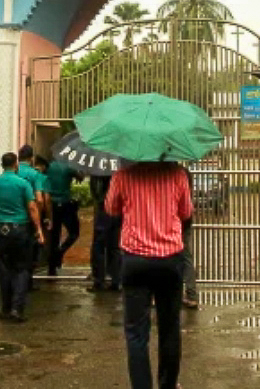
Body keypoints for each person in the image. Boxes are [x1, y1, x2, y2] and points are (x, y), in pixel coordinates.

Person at [106, 161, 193, 389]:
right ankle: (168, 385)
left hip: (135, 260)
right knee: (170, 328)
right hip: (169, 259)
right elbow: (186, 212)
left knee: (136, 332)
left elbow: (111, 208)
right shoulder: (177, 174)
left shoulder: (123, 175)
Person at [0, 152, 46, 322]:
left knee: (4, 269)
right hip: (19, 228)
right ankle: (16, 309)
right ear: (15, 164)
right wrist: (39, 230)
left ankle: (5, 308)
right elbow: (32, 207)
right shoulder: (24, 184)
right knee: (21, 269)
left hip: (0, 229)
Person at [17, 146, 49, 285]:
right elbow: (41, 199)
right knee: (30, 252)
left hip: (15, 218)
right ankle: (27, 283)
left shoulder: (13, 172)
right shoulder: (35, 175)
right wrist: (39, 216)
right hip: (30, 218)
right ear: (31, 158)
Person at [46, 156, 81, 275]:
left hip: (52, 204)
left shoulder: (49, 167)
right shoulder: (69, 167)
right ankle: (60, 252)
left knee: (54, 236)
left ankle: (51, 268)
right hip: (65, 203)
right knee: (74, 232)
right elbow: (80, 177)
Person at [88, 173, 122, 292]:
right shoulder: (120, 170)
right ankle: (116, 281)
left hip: (104, 209)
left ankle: (99, 281)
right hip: (118, 212)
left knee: (99, 247)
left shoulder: (98, 171)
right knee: (114, 247)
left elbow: (95, 192)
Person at [180, 166, 198, 309]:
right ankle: (191, 295)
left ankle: (172, 293)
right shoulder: (184, 172)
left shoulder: (169, 174)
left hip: (172, 223)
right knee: (186, 258)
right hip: (184, 222)